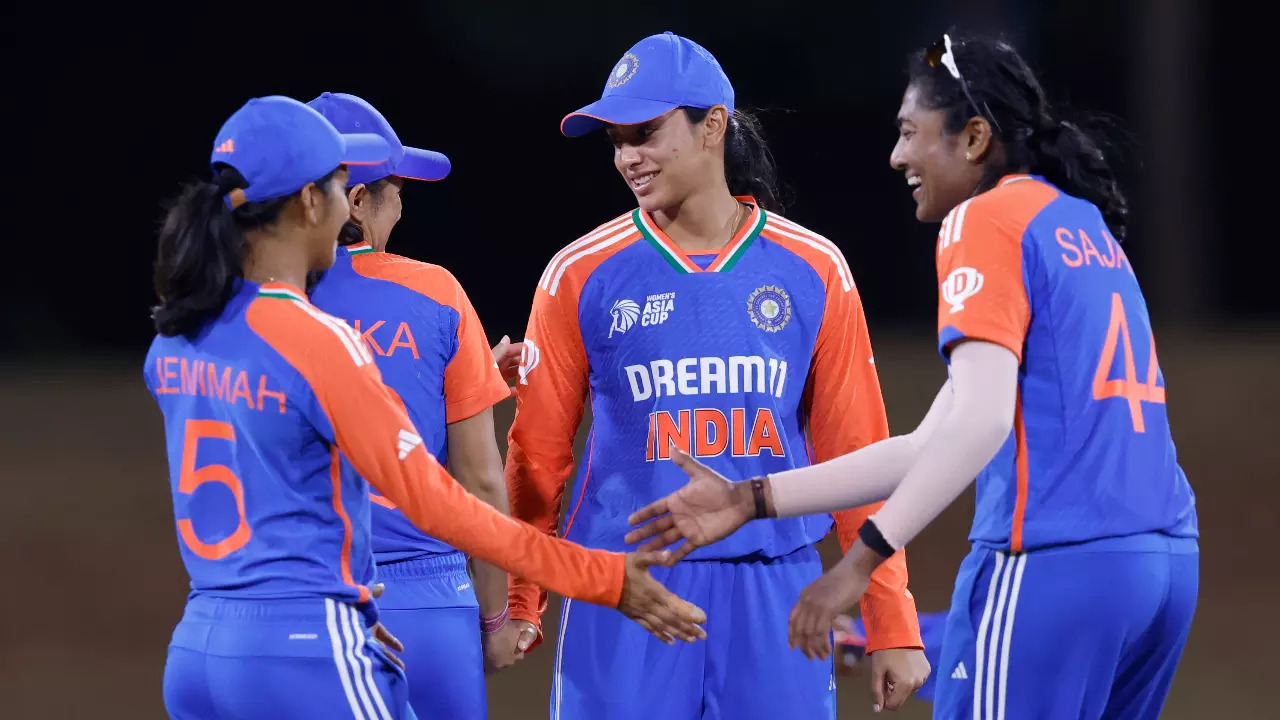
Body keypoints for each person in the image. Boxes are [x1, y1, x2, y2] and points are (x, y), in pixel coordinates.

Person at [627, 31, 1200, 720]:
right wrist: (753, 498)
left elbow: (982, 423)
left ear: (975, 138)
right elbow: (932, 442)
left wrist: (861, 560)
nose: (897, 155)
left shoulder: (984, 221)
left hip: (1055, 560)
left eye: (909, 132)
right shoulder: (1082, 225)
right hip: (1163, 569)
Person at [145, 95, 706, 720]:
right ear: (310, 201)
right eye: (337, 184)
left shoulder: (178, 334)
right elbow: (443, 503)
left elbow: (279, 435)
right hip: (305, 648)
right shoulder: (321, 339)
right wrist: (601, 577)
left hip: (200, 649)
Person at [501, 31, 929, 719]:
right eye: (614, 141)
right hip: (626, 590)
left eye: (644, 132)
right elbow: (537, 456)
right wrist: (526, 594)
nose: (627, 158)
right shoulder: (579, 273)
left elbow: (859, 454)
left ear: (713, 126)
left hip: (776, 588)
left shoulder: (813, 268)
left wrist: (891, 619)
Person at [305, 91, 527, 719]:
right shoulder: (435, 294)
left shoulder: (262, 306)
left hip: (300, 604)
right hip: (427, 605)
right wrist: (494, 615)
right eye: (397, 188)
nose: (402, 203)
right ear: (356, 199)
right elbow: (480, 478)